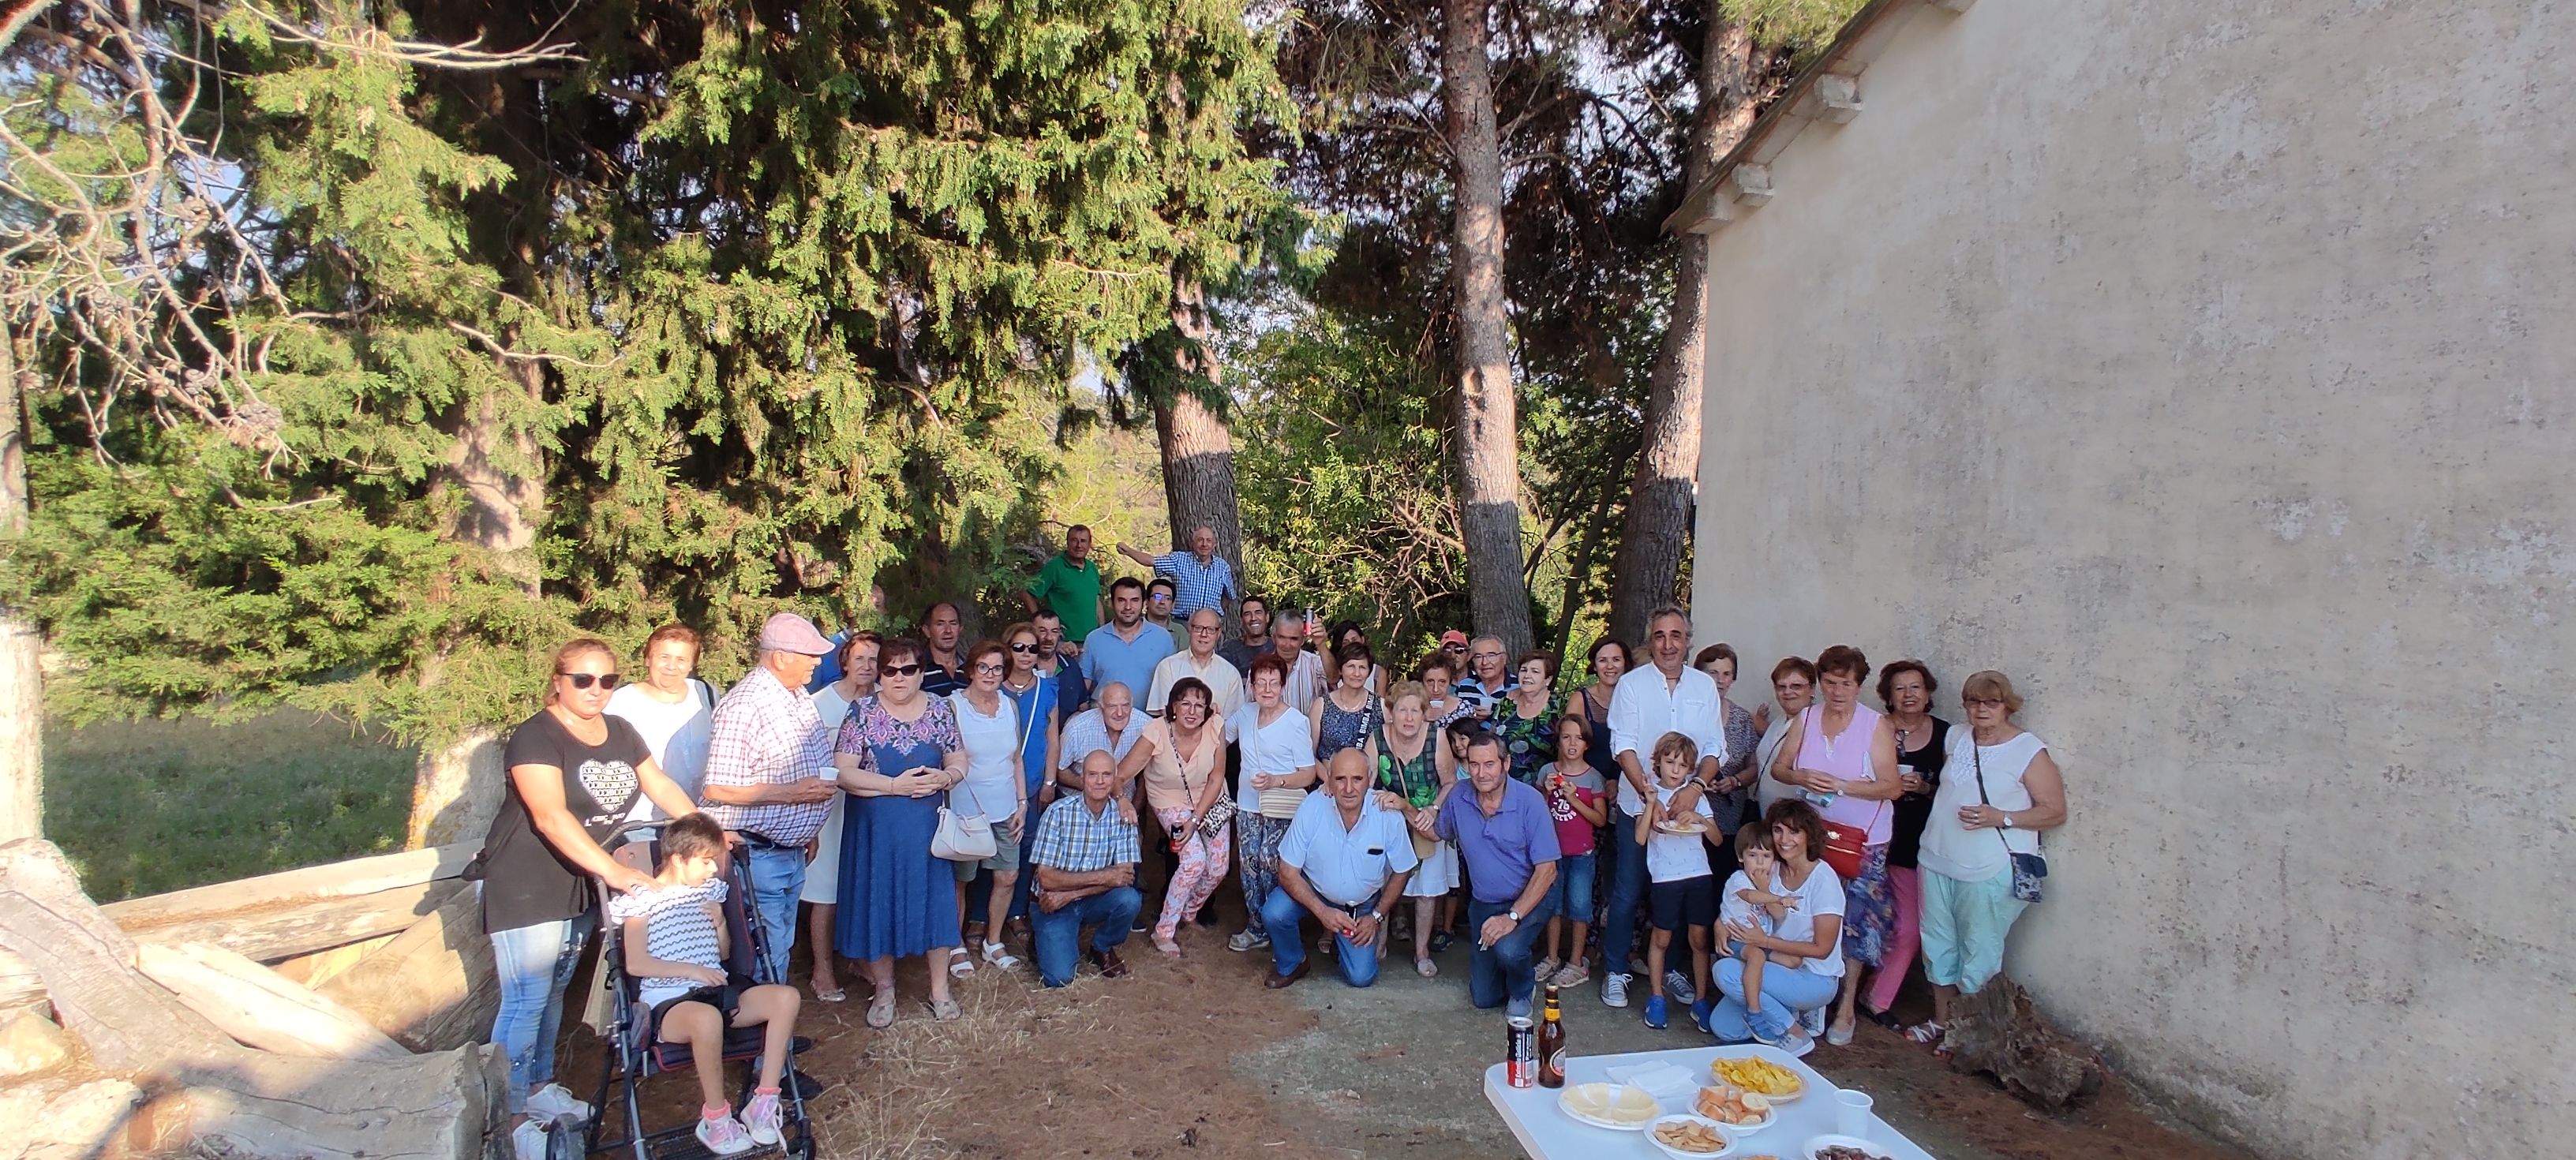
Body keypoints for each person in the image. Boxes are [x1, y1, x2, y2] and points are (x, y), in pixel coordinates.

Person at [482, 639, 702, 1157]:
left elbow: (661, 784)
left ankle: (536, 1089)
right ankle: (507, 1115)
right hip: (528, 879)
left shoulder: (620, 731)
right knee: (526, 995)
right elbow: (550, 817)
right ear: (558, 681)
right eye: (583, 679)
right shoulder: (536, 735)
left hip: (581, 879)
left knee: (556, 987)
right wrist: (614, 871)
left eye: (606, 680)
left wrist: (702, 828)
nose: (595, 690)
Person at [610, 813, 802, 1156]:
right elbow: (637, 963)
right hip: (669, 1002)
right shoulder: (642, 899)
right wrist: (692, 971)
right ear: (679, 860)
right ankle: (716, 1119)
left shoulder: (711, 892)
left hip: (716, 993)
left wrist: (720, 926)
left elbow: (724, 953)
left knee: (785, 997)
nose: (714, 869)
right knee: (705, 1019)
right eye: (706, 862)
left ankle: (763, 1102)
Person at [1911, 670, 2065, 1049]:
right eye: (1974, 702)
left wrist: (2003, 817)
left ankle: (1974, 1035)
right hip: (1937, 858)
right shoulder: (1957, 737)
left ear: (2007, 706)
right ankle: (1942, 1020)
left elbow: (2054, 810)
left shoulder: (2027, 750)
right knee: (1937, 945)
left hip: (1987, 868)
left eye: (1992, 703)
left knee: (1979, 952)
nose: (1982, 710)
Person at [1765, 644, 1901, 1046]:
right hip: (1812, 833)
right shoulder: (1806, 718)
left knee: (1856, 920)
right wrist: (1803, 777)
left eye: (1846, 683)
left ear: (1860, 686)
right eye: (1829, 682)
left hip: (1863, 840)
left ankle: (1845, 1008)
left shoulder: (1875, 725)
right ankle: (1812, 999)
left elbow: (1892, 787)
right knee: (1810, 914)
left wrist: (1844, 786)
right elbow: (1780, 768)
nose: (1837, 690)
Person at [832, 637, 968, 1026]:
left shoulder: (941, 710)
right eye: (889, 669)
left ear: (921, 672)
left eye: (908, 669)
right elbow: (842, 771)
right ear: (879, 673)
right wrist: (894, 786)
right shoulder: (860, 712)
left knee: (936, 903)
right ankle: (884, 990)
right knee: (878, 900)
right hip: (875, 830)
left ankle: (940, 990)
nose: (898, 677)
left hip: (927, 829)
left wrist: (948, 776)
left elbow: (958, 758)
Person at [701, 613, 843, 985]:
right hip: (756, 854)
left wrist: (806, 830)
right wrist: (796, 795)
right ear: (780, 657)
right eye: (809, 655)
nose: (818, 662)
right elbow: (718, 788)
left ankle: (774, 1032)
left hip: (787, 851)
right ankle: (766, 1035)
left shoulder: (796, 696)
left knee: (779, 942)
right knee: (764, 948)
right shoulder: (745, 706)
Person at [1601, 606, 1727, 1011]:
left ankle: (1670, 969)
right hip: (1640, 806)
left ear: (1688, 640)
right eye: (1660, 635)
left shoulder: (1704, 687)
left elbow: (1713, 748)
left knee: (1675, 891)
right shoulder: (1632, 685)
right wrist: (1651, 798)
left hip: (1687, 811)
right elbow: (1623, 745)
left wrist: (1695, 789)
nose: (1669, 643)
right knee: (1628, 889)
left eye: (1677, 635)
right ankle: (1616, 969)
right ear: (1650, 641)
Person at [1263, 750, 1418, 989]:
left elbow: (1403, 870)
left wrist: (1376, 917)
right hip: (1315, 893)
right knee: (1275, 912)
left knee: (1361, 977)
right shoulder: (1313, 806)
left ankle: (1341, 942)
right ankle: (1293, 962)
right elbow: (1287, 870)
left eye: (1357, 779)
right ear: (1329, 780)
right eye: (1340, 779)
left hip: (1360, 906)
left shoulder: (1387, 814)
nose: (1348, 788)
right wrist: (1322, 912)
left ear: (1370, 777)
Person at [1432, 732, 1561, 1019]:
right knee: (1483, 998)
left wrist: (1512, 917)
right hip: (1485, 903)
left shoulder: (1530, 801)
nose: (1481, 773)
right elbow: (1437, 832)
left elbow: (1547, 870)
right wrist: (1403, 807)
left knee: (1509, 949)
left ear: (1506, 764)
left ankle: (1523, 988)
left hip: (1531, 898)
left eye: (1489, 764)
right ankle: (1503, 971)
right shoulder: (1458, 796)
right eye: (1474, 765)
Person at [1710, 801, 1848, 1055]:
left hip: (1814, 976)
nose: (1785, 840)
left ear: (1809, 835)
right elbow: (1737, 900)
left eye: (1794, 832)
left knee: (1725, 971)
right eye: (1778, 830)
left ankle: (1794, 1030)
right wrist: (1721, 923)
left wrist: (1765, 941)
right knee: (1724, 1028)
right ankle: (1784, 1008)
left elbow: (1823, 949)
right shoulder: (1770, 865)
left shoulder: (1824, 880)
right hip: (1772, 963)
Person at [1118, 676, 1230, 956]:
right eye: (1186, 704)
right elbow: (1120, 774)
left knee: (1218, 866)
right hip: (1170, 800)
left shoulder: (1216, 726)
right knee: (1194, 861)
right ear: (1173, 707)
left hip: (1210, 797)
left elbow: (1217, 778)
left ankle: (1189, 912)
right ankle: (1164, 930)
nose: (1192, 711)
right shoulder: (1156, 731)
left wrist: (1196, 820)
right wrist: (1123, 800)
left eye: (1199, 706)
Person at [1867, 659, 1947, 1027]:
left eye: (1915, 687)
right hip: (1870, 837)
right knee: (1860, 918)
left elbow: (1956, 790)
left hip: (1918, 845)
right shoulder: (1874, 729)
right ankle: (1837, 993)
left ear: (1928, 692)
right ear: (1888, 695)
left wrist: (1926, 787)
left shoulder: (1948, 735)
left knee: (1909, 928)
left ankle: (1877, 998)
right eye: (1900, 688)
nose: (1909, 694)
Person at [801, 631, 879, 1002]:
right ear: (844, 662)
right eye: (860, 658)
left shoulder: (883, 702)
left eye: (875, 660)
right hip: (830, 810)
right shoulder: (818, 704)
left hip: (871, 806)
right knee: (826, 891)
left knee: (864, 886)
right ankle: (822, 970)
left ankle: (859, 959)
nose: (868, 667)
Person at [1028, 750, 1146, 987]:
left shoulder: (1124, 815)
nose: (1100, 781)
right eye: (1093, 775)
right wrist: (1107, 876)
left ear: (1114, 780)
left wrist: (1070, 893)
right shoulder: (1058, 812)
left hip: (1072, 897)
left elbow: (1124, 877)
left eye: (1106, 775)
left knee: (1130, 900)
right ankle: (1042, 936)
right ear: (1082, 779)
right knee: (1059, 978)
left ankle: (1101, 946)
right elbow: (1047, 879)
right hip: (1051, 903)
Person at [1227, 653, 1320, 952]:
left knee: (1272, 861)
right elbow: (1217, 738)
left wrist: (1275, 781)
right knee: (1249, 863)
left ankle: (1277, 924)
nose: (1267, 689)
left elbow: (1307, 774)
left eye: (1273, 683)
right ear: (1251, 686)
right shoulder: (1244, 715)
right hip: (1248, 804)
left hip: (1282, 804)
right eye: (1260, 683)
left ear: (1283, 685)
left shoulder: (1296, 722)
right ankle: (1256, 927)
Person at [947, 640, 1029, 977]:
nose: (990, 674)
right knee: (961, 881)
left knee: (1007, 875)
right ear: (971, 669)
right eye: (983, 667)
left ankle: (993, 942)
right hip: (966, 810)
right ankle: (954, 946)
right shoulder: (953, 706)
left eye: (997, 668)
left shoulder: (1010, 706)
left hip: (1007, 807)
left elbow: (1015, 758)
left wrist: (1022, 803)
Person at [1368, 681, 1458, 978]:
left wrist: (1433, 810)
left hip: (1424, 819)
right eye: (1402, 710)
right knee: (1382, 884)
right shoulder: (1377, 738)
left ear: (1424, 715)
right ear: (1391, 712)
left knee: (1427, 891)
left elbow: (1449, 783)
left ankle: (1422, 953)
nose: (1408, 718)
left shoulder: (1437, 736)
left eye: (1415, 711)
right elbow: (1365, 782)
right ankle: (1378, 946)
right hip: (1389, 820)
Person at [1637, 733, 1719, 1032]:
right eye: (1670, 762)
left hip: (1699, 875)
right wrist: (1649, 804)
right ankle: (1657, 997)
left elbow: (1717, 839)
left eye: (1682, 765)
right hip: (1665, 878)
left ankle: (1700, 999)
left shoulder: (1695, 797)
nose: (1675, 770)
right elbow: (1641, 837)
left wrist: (1697, 816)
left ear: (1690, 770)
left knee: (1699, 939)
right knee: (1662, 938)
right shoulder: (1649, 792)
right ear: (1657, 762)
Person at [990, 623, 1064, 932]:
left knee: (1026, 847)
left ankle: (1017, 912)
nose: (1025, 654)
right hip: (994, 784)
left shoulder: (1047, 689)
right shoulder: (992, 686)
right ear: (1007, 649)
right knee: (989, 852)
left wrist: (1050, 782)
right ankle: (981, 917)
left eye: (1032, 648)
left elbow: (1053, 738)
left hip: (1033, 783)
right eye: (1019, 647)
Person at [605, 624, 719, 821]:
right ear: (648, 659)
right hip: (643, 823)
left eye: (681, 660)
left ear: (692, 665)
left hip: (698, 820)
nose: (671, 667)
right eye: (664, 657)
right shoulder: (619, 704)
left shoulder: (705, 694)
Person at [1534, 716, 1605, 989]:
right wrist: (1546, 793)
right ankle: (1552, 957)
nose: (1572, 743)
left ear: (1587, 743)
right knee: (1553, 906)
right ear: (1558, 741)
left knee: (1579, 907)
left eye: (1578, 738)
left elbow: (1599, 820)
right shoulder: (1546, 772)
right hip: (1550, 853)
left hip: (1581, 853)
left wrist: (1573, 799)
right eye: (1566, 737)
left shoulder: (1593, 777)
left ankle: (1576, 962)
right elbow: (1536, 814)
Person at [1717, 824, 1800, 1042]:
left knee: (1792, 961)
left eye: (1766, 855)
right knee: (1757, 956)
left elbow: (1779, 915)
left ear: (1775, 859)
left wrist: (1768, 891)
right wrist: (1776, 898)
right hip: (1738, 940)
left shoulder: (1771, 884)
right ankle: (1755, 1014)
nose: (1760, 862)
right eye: (1753, 855)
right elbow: (1750, 897)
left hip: (1760, 941)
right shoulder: (1738, 879)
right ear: (1741, 857)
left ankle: (1785, 1008)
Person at [1694, 644, 1765, 875]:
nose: (1720, 680)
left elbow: (1753, 767)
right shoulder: (1684, 714)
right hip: (1688, 812)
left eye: (1726, 674)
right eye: (1713, 673)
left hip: (1729, 816)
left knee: (1721, 877)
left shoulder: (1742, 719)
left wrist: (1734, 781)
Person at [1080, 578, 1173, 717]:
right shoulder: (1094, 639)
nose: (1128, 607)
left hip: (1150, 724)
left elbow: (1172, 684)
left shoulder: (1163, 638)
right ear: (1111, 603)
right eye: (1121, 600)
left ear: (1144, 603)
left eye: (1135, 600)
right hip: (1103, 722)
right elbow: (1083, 685)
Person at [1118, 524, 1238, 621]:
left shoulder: (1223, 567)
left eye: (1208, 541)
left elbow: (1229, 596)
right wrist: (1128, 551)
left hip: (1208, 627)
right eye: (1200, 540)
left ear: (1214, 545)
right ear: (1193, 543)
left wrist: (1215, 614)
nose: (1204, 544)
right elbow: (1150, 561)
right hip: (1182, 623)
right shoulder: (1179, 560)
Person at [1147, 607, 1245, 723]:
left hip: (1215, 740)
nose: (1204, 634)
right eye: (1198, 628)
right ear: (1189, 629)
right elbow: (1164, 716)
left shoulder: (1231, 674)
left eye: (1210, 629)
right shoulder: (1168, 666)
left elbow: (1233, 723)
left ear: (1218, 634)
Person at [1753, 657, 1817, 819]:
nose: (1788, 692)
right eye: (1781, 687)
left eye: (1796, 686)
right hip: (1767, 812)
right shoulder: (1779, 721)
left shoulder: (1816, 724)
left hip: (1796, 820)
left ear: (1812, 689)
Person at [1021, 524, 1105, 648]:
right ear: (1067, 542)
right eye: (1074, 540)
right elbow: (1026, 592)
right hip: (1065, 643)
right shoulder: (1055, 567)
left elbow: (1096, 601)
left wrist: (1102, 632)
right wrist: (1038, 622)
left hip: (1092, 643)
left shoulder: (1092, 568)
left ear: (1089, 544)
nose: (1079, 545)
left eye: (1083, 541)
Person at [1060, 681, 1148, 785]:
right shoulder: (1077, 728)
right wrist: (1091, 788)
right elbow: (1059, 769)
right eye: (1112, 706)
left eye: (1125, 705)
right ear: (1100, 706)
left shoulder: (1146, 726)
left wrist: (1136, 801)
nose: (1120, 713)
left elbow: (1150, 772)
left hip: (1125, 797)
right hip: (1078, 796)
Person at [1309, 639, 1383, 761]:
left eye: (1362, 667)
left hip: (1367, 778)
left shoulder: (1381, 706)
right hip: (1327, 777)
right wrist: (1328, 779)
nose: (1357, 673)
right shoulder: (1321, 705)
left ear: (1369, 672)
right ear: (1340, 670)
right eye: (1351, 667)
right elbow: (1309, 755)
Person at [1496, 651, 1559, 787]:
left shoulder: (1558, 706)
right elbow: (1492, 740)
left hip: (1544, 787)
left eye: (1535, 671)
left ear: (1547, 679)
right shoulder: (1506, 704)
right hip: (1503, 785)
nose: (1527, 676)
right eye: (1524, 670)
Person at [1572, 638, 1630, 785]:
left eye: (1616, 659)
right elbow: (1569, 747)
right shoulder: (1580, 700)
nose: (1610, 666)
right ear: (1595, 666)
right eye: (1603, 660)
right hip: (1585, 784)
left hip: (1628, 783)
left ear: (1625, 663)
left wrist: (1617, 781)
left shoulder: (1636, 699)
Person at [1031, 609, 1088, 714]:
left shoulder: (1071, 666)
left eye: (1054, 631)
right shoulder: (1023, 667)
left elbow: (1083, 705)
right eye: (1042, 631)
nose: (1048, 637)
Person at [1268, 610, 1326, 711]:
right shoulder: (1259, 668)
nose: (1287, 645)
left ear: (1302, 640)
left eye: (1294, 639)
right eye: (1282, 637)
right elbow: (1249, 710)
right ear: (1274, 638)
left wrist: (1321, 644)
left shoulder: (1315, 663)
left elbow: (1334, 679)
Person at [1455, 636, 1516, 717]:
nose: (1485, 662)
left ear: (1504, 658)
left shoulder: (1518, 687)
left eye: (1491, 655)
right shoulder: (1464, 685)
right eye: (1478, 657)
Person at [1326, 620, 1389, 696]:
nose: (1351, 645)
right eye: (1345, 642)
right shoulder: (1333, 673)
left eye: (1354, 640)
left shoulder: (1378, 673)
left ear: (1362, 639)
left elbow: (1380, 704)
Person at [918, 602, 968, 696]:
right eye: (940, 624)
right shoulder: (917, 669)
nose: (948, 630)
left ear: (960, 629)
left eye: (953, 623)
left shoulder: (971, 670)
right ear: (927, 631)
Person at [1218, 594, 1271, 675]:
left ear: (1267, 617)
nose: (1253, 618)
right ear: (1242, 620)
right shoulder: (1230, 649)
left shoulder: (1277, 648)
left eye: (1258, 612)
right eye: (1247, 614)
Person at [1144, 577, 1187, 653]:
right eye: (1158, 597)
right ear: (1147, 602)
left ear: (1173, 605)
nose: (1162, 602)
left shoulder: (1180, 631)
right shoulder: (1135, 627)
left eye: (1168, 598)